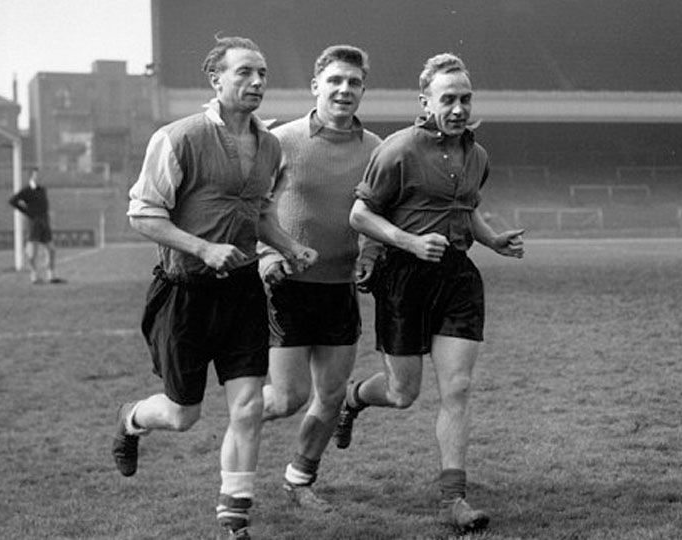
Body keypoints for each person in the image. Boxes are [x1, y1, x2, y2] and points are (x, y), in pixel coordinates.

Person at [114, 36, 318, 539]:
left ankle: (234, 517)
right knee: (183, 414)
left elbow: (259, 213)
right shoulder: (177, 138)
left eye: (263, 73)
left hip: (243, 292)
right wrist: (202, 248)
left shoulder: (270, 146)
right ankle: (132, 418)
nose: (256, 82)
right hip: (184, 292)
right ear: (217, 80)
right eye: (245, 72)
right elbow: (143, 214)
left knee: (248, 405)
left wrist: (289, 246)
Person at [337, 52, 525, 533]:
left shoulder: (476, 155)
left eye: (465, 98)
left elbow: (466, 208)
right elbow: (360, 216)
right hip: (403, 277)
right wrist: (409, 242)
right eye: (448, 99)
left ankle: (454, 499)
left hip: (458, 279)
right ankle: (354, 399)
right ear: (425, 101)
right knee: (403, 392)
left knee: (457, 388)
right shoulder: (397, 151)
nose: (459, 108)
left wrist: (492, 239)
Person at [257, 44, 382, 512]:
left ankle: (299, 479)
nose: (344, 90)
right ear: (316, 86)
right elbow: (251, 208)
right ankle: (237, 447)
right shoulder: (280, 140)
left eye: (353, 82)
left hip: (339, 289)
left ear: (363, 91)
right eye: (335, 80)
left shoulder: (376, 150)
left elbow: (377, 214)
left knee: (330, 398)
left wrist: (370, 254)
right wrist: (266, 256)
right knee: (287, 398)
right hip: (286, 287)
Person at [7, 167, 65, 284]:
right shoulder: (27, 190)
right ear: (31, 176)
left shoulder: (42, 189)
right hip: (34, 223)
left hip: (44, 221)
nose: (38, 177)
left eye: (40, 175)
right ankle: (34, 275)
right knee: (33, 252)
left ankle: (51, 275)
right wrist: (28, 212)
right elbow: (13, 201)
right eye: (36, 175)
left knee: (51, 249)